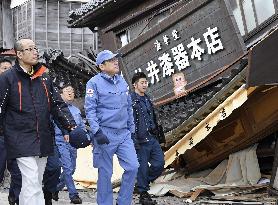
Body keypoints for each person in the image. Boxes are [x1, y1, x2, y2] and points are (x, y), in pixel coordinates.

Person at [0, 39, 77, 205]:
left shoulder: (44, 77)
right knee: (31, 181)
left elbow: (57, 104)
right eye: (30, 49)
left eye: (35, 48)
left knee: (37, 180)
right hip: (19, 138)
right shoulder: (8, 78)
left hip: (42, 137)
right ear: (19, 54)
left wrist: (71, 126)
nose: (35, 52)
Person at [85, 50, 139, 205]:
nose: (116, 62)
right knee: (105, 174)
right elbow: (90, 110)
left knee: (133, 167)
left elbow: (128, 107)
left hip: (123, 134)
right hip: (105, 133)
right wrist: (97, 131)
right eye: (111, 60)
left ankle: (123, 202)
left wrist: (132, 130)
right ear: (102, 66)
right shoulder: (93, 83)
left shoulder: (122, 81)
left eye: (116, 59)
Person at [130, 72, 165, 205]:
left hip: (152, 138)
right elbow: (130, 121)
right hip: (140, 140)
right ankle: (143, 194)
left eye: (146, 82)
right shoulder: (131, 100)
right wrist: (133, 139)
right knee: (142, 168)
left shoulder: (147, 99)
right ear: (135, 85)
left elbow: (153, 119)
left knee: (159, 163)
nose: (145, 85)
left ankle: (141, 184)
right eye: (142, 82)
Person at [55, 84, 84, 204]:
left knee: (72, 169)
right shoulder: (57, 109)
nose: (71, 93)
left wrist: (87, 138)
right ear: (61, 94)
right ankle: (74, 195)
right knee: (67, 167)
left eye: (72, 90)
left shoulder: (76, 110)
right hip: (61, 141)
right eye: (67, 91)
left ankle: (55, 188)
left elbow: (81, 126)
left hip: (73, 143)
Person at [0, 58, 22, 205]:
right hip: (1, 136)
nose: (7, 71)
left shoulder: (18, 88)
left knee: (18, 172)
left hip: (16, 136)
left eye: (9, 68)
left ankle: (14, 198)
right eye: (3, 68)